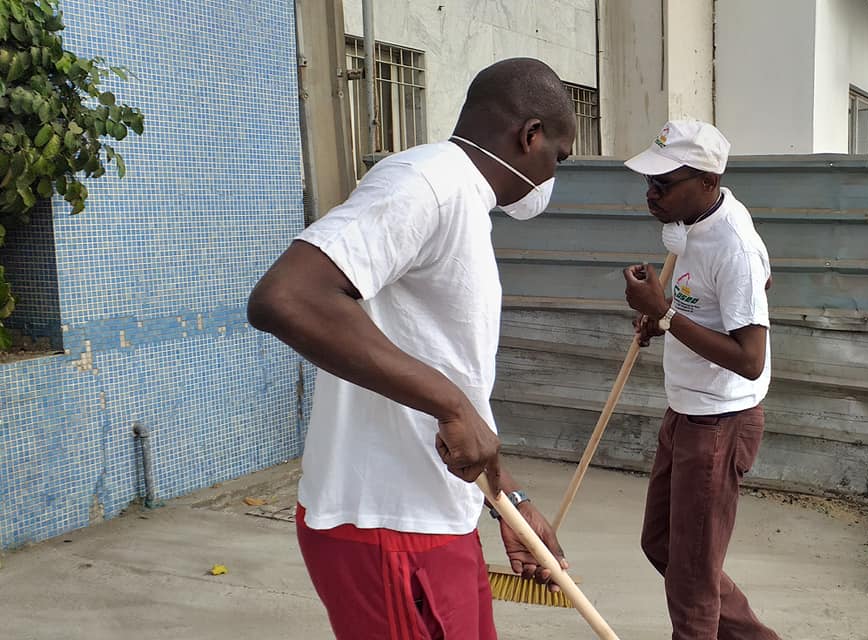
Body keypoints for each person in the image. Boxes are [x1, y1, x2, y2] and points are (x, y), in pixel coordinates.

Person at [246, 57, 576, 639]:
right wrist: (452, 405)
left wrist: (508, 496)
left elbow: (445, 365)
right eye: (560, 156)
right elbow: (286, 297)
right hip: (390, 524)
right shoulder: (425, 183)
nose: (555, 174)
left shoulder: (462, 201)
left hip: (435, 515)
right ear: (530, 136)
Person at [620, 120, 780, 640]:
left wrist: (665, 314)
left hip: (719, 422)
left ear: (708, 181)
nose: (651, 194)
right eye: (649, 182)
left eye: (664, 184)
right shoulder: (690, 223)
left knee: (691, 583)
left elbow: (750, 359)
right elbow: (715, 305)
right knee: (664, 546)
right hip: (686, 410)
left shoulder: (734, 245)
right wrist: (662, 319)